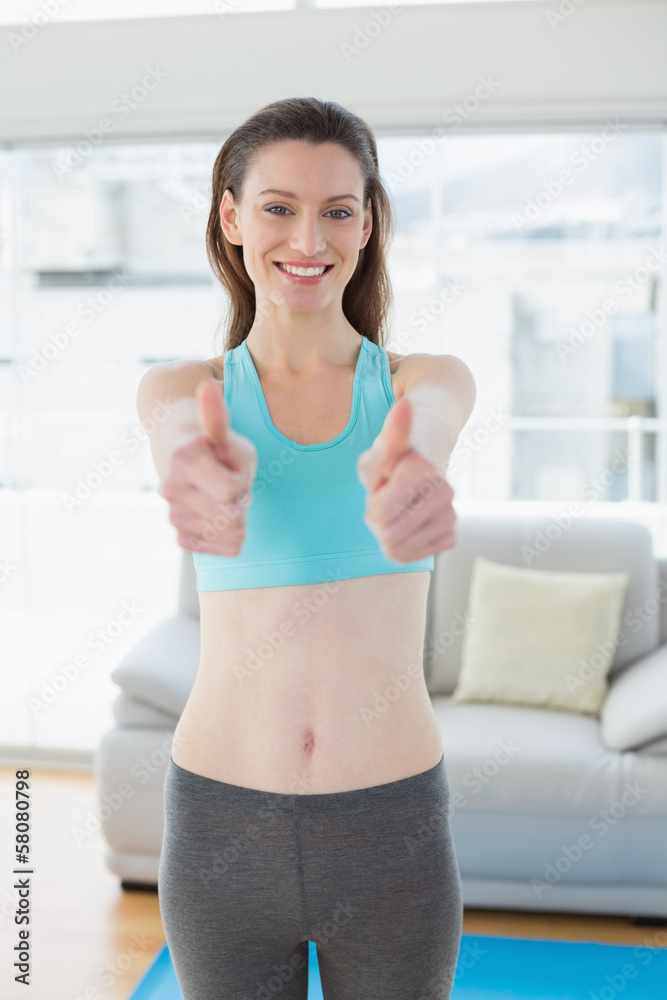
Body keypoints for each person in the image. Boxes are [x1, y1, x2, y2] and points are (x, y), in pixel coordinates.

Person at [139, 96, 476, 1000]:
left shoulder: (420, 381)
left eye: (337, 210)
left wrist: (414, 464)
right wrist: (194, 466)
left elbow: (433, 421)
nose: (308, 237)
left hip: (391, 831)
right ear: (230, 215)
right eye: (278, 207)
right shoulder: (184, 387)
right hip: (219, 828)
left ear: (366, 224)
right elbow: (175, 432)